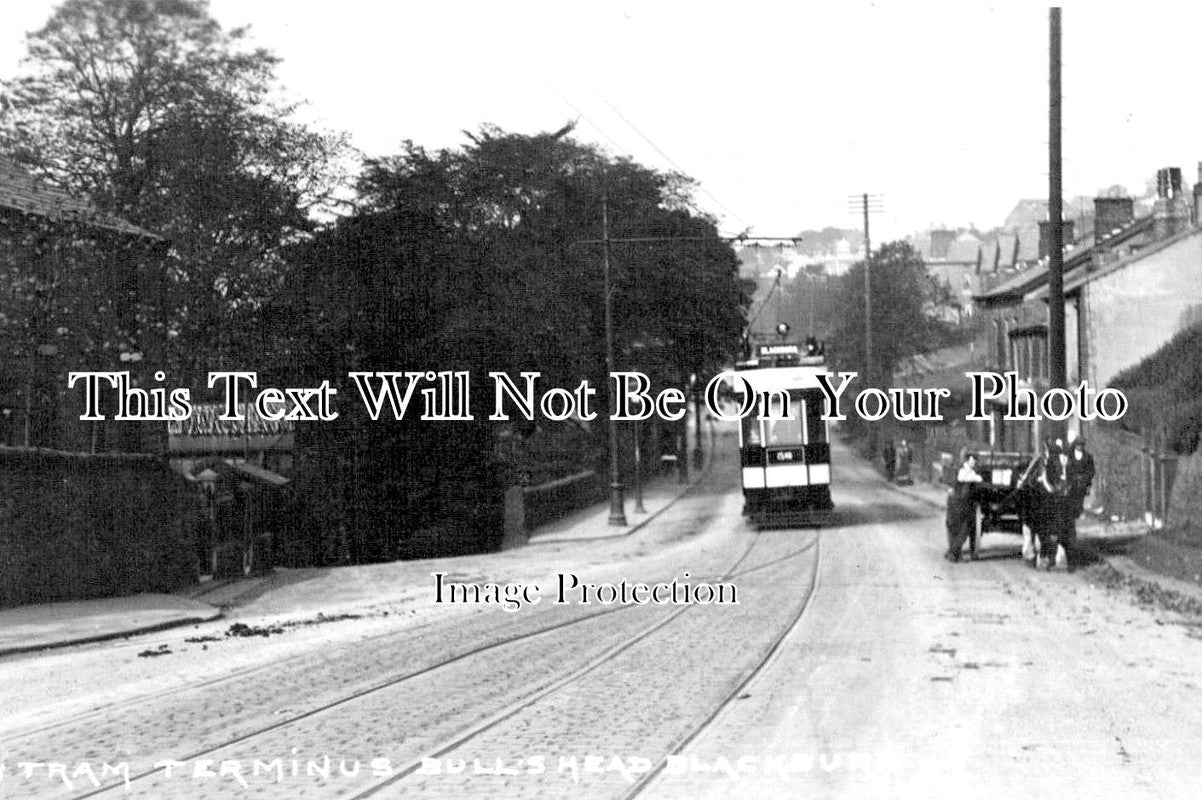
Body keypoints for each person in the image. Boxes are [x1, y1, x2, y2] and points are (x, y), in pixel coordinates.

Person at [945, 450, 984, 562]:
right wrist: (977, 478)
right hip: (959, 504)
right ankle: (953, 552)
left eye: (975, 461)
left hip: (958, 503)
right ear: (968, 459)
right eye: (973, 460)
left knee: (958, 529)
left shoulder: (969, 470)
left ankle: (953, 553)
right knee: (962, 529)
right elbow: (963, 478)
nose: (974, 462)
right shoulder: (963, 470)